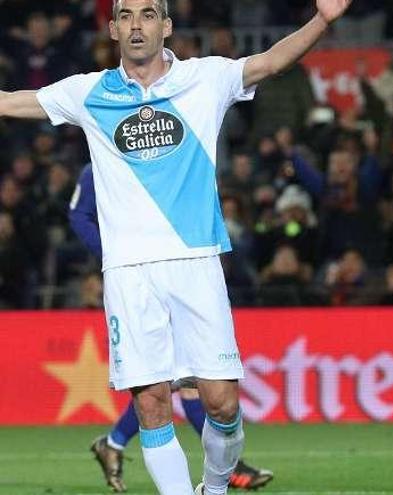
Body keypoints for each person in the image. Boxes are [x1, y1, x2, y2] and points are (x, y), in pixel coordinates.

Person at [0, 0, 353, 493]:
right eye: (126, 16)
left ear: (165, 26)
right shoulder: (89, 92)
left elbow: (270, 61)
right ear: (114, 28)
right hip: (129, 271)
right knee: (151, 402)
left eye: (148, 14)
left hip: (195, 261)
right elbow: (13, 100)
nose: (136, 24)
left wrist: (322, 21)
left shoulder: (204, 79)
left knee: (221, 403)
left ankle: (214, 485)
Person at [69, 164, 274, 492]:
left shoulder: (165, 157)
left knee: (190, 384)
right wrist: (113, 254)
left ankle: (116, 443)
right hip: (134, 280)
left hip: (181, 276)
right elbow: (78, 214)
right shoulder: (101, 158)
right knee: (166, 385)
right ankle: (226, 470)